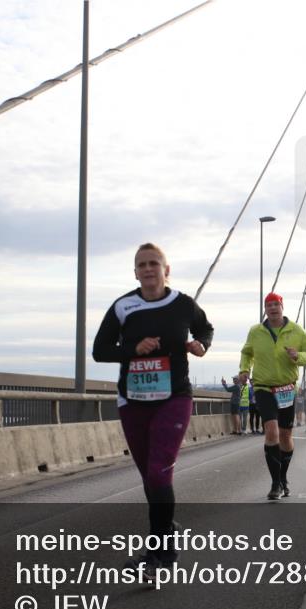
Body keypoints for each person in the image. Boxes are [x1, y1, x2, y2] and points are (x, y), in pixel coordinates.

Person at [92, 243, 212, 576]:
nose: (148, 269)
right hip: (133, 400)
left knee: (160, 471)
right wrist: (133, 349)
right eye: (142, 265)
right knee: (149, 476)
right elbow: (100, 351)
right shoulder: (123, 306)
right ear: (135, 272)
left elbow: (205, 328)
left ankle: (159, 556)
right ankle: (167, 537)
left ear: (166, 270)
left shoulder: (183, 304)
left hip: (174, 397)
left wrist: (201, 344)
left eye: (154, 264)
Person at [239, 292, 306, 500]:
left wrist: (298, 356)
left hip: (287, 390)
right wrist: (244, 370)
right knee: (271, 431)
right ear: (265, 308)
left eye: (276, 304)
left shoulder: (296, 331)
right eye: (268, 305)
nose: (272, 308)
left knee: (286, 436)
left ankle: (283, 478)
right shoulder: (256, 331)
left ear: (282, 307)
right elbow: (247, 352)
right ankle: (275, 484)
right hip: (263, 388)